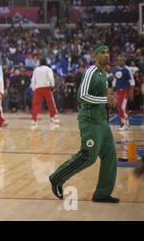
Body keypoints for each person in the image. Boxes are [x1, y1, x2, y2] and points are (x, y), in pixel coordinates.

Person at [49, 46, 119, 204]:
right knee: (88, 156)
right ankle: (57, 178)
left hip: (102, 122)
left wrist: (109, 102)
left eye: (108, 53)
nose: (106, 55)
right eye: (102, 52)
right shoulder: (91, 72)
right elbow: (82, 96)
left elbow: (102, 97)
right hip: (89, 121)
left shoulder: (104, 75)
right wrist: (104, 100)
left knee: (110, 155)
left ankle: (102, 193)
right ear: (95, 56)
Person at [31, 58, 59, 127]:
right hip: (46, 87)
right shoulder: (48, 69)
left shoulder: (36, 69)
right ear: (46, 62)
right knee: (50, 103)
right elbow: (51, 78)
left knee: (36, 104)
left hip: (38, 88)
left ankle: (34, 120)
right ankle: (52, 118)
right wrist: (53, 86)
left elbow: (33, 80)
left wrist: (33, 88)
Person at [112, 56, 135, 131]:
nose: (119, 62)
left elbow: (132, 82)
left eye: (121, 60)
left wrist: (131, 93)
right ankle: (124, 123)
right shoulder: (116, 69)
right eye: (118, 60)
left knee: (123, 107)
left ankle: (125, 123)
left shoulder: (127, 69)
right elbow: (115, 79)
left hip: (125, 90)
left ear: (124, 61)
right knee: (119, 107)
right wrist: (113, 88)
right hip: (118, 91)